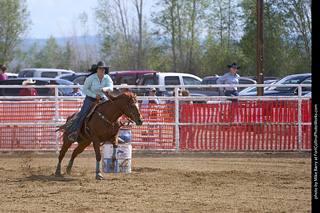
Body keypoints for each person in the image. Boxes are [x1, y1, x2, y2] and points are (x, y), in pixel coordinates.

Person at [68, 61, 113, 142]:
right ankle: (73, 132)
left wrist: (105, 89)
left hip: (102, 98)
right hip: (91, 98)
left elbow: (111, 87)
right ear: (97, 69)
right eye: (100, 68)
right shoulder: (91, 78)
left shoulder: (107, 78)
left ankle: (113, 133)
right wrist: (94, 95)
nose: (102, 70)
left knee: (110, 112)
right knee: (83, 113)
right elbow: (85, 89)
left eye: (103, 68)